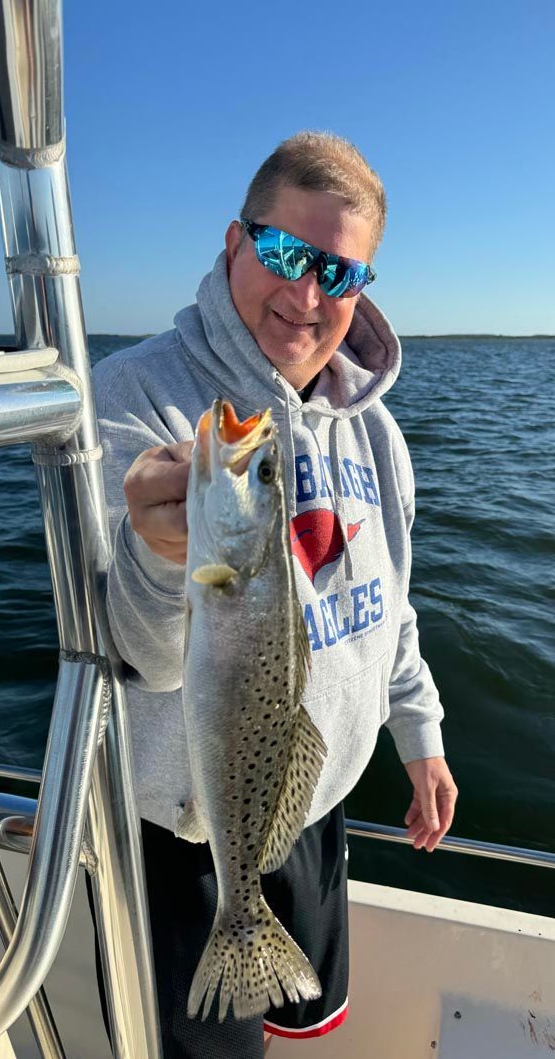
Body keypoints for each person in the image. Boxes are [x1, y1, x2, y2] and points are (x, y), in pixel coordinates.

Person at [92, 131, 458, 1058]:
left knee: (300, 1025)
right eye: (288, 255)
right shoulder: (131, 396)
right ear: (234, 243)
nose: (306, 295)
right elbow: (140, 659)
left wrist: (419, 735)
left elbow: (391, 605)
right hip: (182, 827)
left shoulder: (377, 432)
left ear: (361, 287)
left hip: (313, 797)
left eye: (338, 273)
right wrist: (159, 552)